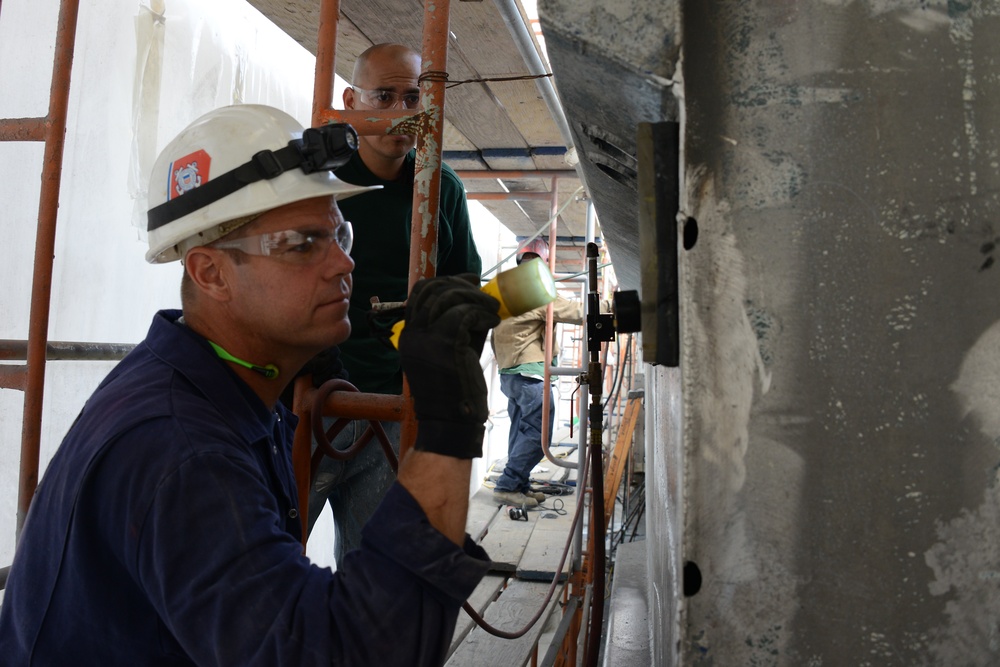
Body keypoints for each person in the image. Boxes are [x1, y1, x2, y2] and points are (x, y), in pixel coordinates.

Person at [0, 104, 499, 666]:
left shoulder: (218, 391)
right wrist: (446, 430)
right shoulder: (180, 448)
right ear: (210, 273)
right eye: (301, 244)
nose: (342, 264)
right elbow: (345, 654)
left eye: (340, 234)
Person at [300, 42, 483, 562]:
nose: (404, 113)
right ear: (351, 99)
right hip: (310, 405)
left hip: (396, 409)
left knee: (374, 574)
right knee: (260, 561)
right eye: (385, 96)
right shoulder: (315, 180)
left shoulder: (439, 188)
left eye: (413, 98)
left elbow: (462, 300)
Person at [491, 238, 584, 508]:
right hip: (529, 373)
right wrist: (607, 308)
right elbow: (573, 311)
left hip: (510, 373)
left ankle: (518, 484)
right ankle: (508, 485)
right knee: (537, 432)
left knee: (520, 430)